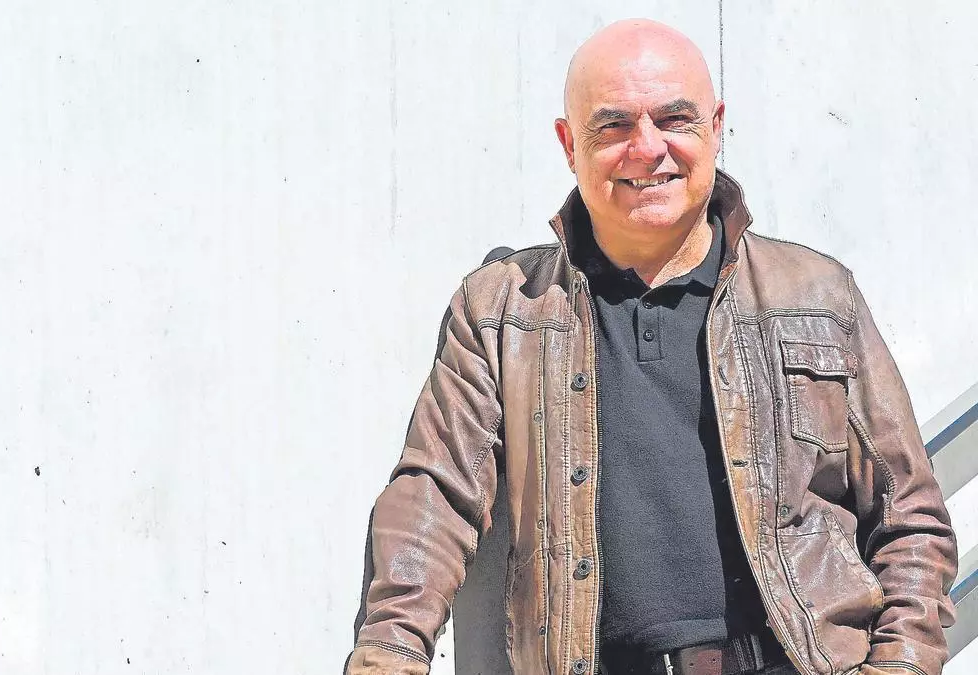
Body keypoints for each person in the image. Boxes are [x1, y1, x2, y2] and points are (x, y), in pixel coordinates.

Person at [344, 17, 958, 675]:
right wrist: (390, 652)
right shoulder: (502, 310)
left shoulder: (816, 294)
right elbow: (433, 497)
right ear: (568, 144)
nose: (647, 148)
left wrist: (900, 664)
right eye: (613, 126)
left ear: (715, 127)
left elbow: (910, 519)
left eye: (674, 119)